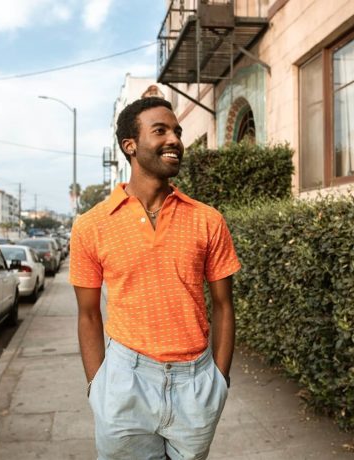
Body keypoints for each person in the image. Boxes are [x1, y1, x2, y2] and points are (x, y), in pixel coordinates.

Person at [69, 96, 240, 460]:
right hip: (124, 380)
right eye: (160, 130)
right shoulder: (91, 226)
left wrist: (219, 380)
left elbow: (225, 306)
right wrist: (97, 386)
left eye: (177, 131)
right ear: (129, 145)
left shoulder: (208, 220)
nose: (175, 139)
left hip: (196, 383)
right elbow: (87, 314)